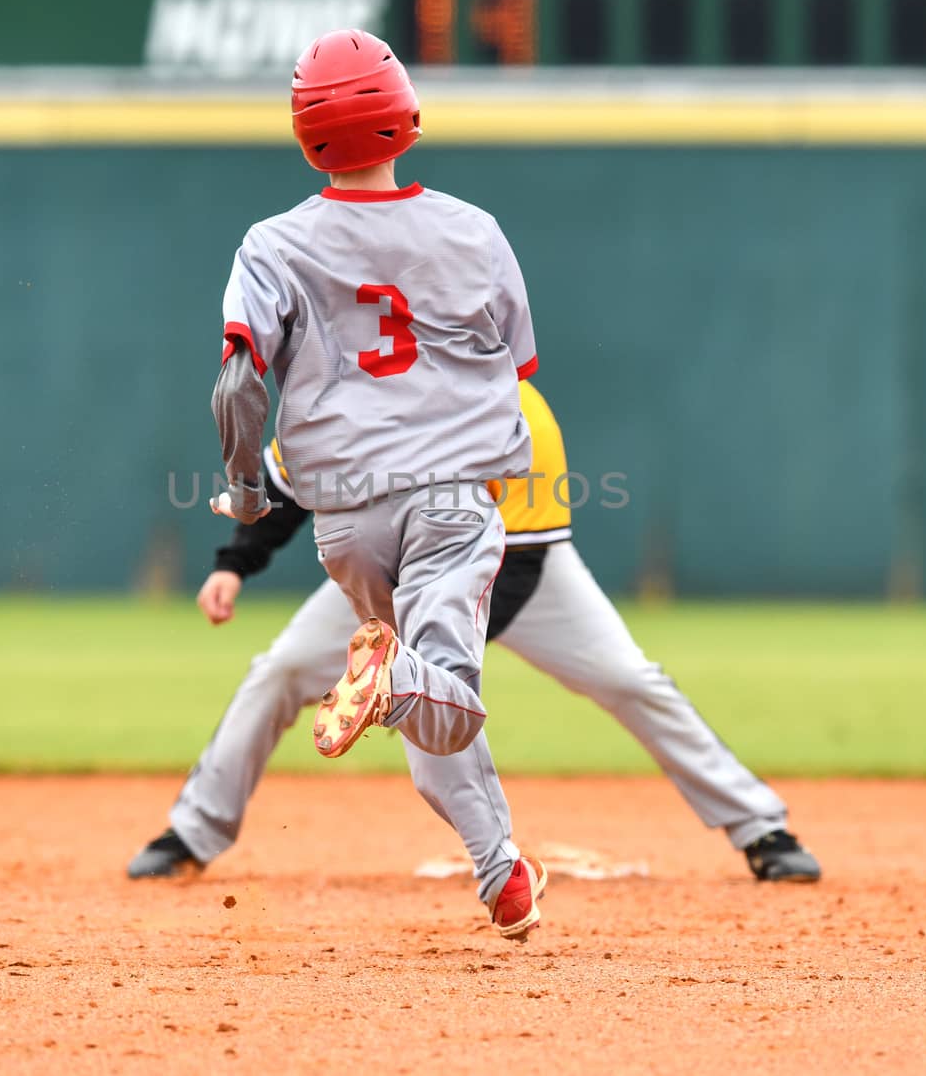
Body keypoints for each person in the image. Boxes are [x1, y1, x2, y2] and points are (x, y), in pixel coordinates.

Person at [134, 381, 823, 892]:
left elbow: (508, 569)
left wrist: (417, 669)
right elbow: (286, 489)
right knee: (282, 669)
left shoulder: (514, 413)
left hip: (525, 569)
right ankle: (191, 832)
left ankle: (761, 825)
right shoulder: (348, 392)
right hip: (385, 571)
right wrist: (234, 566)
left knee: (627, 678)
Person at [204, 28, 546, 939]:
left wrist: (245, 490)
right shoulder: (474, 230)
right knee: (439, 697)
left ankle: (500, 875)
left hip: (343, 520)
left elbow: (239, 382)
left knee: (432, 695)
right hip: (449, 504)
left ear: (305, 132)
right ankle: (390, 681)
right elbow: (520, 366)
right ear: (406, 120)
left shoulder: (272, 243)